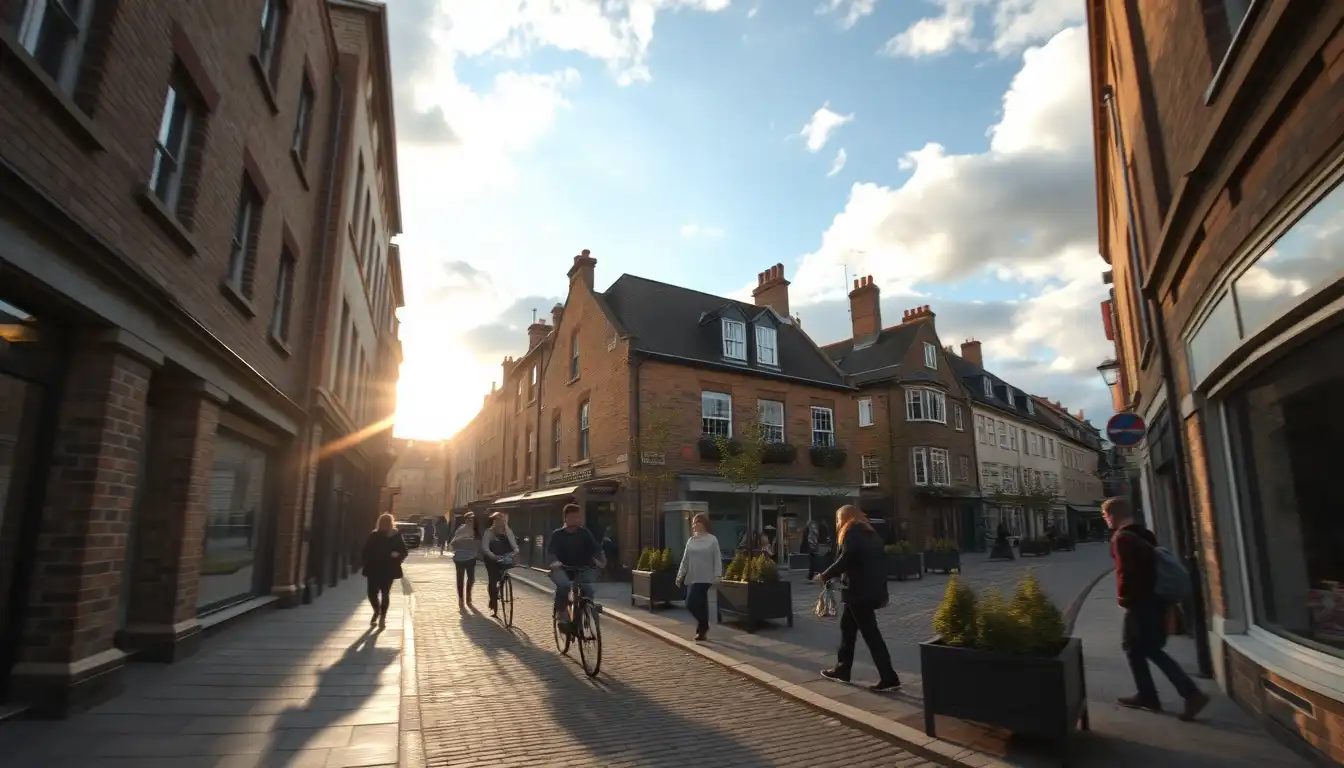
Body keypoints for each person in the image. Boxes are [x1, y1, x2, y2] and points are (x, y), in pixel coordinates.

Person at [1103, 497, 1209, 720]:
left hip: (1141, 602)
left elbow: (1126, 573)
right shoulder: (1144, 533)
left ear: (1112, 515)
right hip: (1157, 599)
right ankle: (1148, 694)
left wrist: (1124, 598)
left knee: (1141, 648)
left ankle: (1189, 694)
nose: (1105, 520)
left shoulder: (1122, 538)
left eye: (1105, 515)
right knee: (1141, 648)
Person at [814, 505, 900, 692]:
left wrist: (824, 576)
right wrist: (883, 592)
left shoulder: (851, 531)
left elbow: (846, 558)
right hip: (870, 590)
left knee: (871, 635)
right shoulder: (872, 533)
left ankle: (889, 677)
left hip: (858, 592)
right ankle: (842, 669)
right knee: (848, 629)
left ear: (845, 517)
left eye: (838, 519)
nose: (837, 523)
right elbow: (882, 565)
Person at [548, 503, 605, 630]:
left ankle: (585, 610)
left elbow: (595, 547)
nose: (576, 520)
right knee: (564, 585)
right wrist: (555, 562)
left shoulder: (584, 533)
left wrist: (601, 559)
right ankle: (561, 612)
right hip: (563, 568)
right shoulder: (557, 535)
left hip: (582, 568)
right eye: (573, 517)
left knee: (588, 588)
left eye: (578, 517)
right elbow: (551, 551)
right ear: (565, 518)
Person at [676, 512, 722, 642]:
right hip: (693, 577)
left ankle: (702, 628)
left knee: (695, 603)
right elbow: (685, 560)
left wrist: (718, 575)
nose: (694, 525)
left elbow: (717, 558)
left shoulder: (712, 540)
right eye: (693, 524)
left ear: (703, 524)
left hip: (706, 577)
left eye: (697, 522)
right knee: (694, 603)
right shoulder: (691, 541)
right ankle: (703, 628)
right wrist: (680, 575)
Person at [361, 513, 407, 630]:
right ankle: (380, 615)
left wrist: (396, 555)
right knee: (382, 593)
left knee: (374, 593)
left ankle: (379, 613)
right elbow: (403, 551)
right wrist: (396, 556)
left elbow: (365, 551)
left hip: (379, 568)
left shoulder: (382, 535)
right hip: (383, 568)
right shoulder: (382, 535)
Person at [481, 510, 521, 617]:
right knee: (492, 580)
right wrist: (493, 556)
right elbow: (485, 548)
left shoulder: (507, 531)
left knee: (503, 575)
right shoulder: (489, 532)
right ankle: (493, 604)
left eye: (502, 520)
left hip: (504, 557)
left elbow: (513, 544)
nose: (500, 522)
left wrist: (515, 551)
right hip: (491, 559)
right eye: (498, 520)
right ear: (494, 521)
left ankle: (502, 584)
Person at [449, 511, 480, 609]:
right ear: (466, 520)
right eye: (469, 519)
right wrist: (463, 540)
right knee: (460, 579)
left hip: (471, 557)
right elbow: (453, 543)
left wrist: (476, 548)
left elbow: (479, 543)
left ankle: (468, 596)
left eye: (473, 519)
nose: (471, 521)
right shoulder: (461, 530)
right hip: (460, 558)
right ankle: (461, 599)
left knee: (471, 578)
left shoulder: (476, 531)